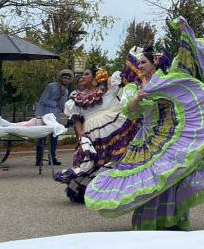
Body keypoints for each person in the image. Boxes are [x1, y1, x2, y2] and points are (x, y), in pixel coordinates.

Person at [85, 41, 204, 230]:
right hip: (146, 139)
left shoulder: (168, 81)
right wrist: (138, 97)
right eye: (139, 63)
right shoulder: (133, 87)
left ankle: (171, 220)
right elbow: (130, 111)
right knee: (150, 179)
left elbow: (187, 74)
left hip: (171, 135)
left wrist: (186, 37)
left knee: (170, 175)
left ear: (154, 63)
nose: (140, 66)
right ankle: (148, 220)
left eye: (144, 62)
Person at [53, 66, 139, 203]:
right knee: (91, 162)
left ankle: (112, 190)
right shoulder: (77, 97)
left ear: (95, 77)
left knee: (112, 158)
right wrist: (81, 135)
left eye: (86, 74)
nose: (82, 77)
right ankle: (93, 191)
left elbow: (125, 83)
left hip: (110, 127)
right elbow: (76, 118)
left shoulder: (107, 90)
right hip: (90, 132)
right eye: (82, 75)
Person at [34, 69, 73, 166]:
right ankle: (39, 158)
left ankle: (52, 158)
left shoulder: (66, 91)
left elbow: (62, 105)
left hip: (56, 116)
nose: (66, 80)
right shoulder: (51, 86)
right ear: (60, 78)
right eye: (64, 77)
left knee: (54, 137)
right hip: (44, 113)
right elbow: (43, 100)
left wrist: (62, 94)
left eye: (68, 78)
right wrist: (53, 104)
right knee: (42, 136)